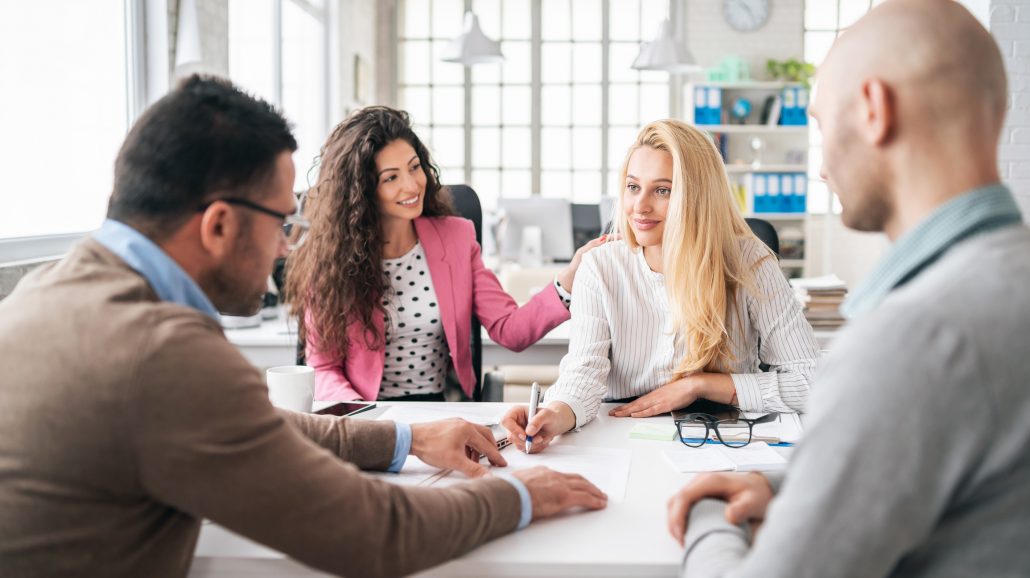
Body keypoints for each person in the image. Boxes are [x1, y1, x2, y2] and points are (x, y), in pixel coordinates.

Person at [0, 76, 607, 578]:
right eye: (281, 220)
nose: (287, 246)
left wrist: (407, 440)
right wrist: (523, 495)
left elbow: (253, 423)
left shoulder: (43, 292)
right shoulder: (164, 352)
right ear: (217, 225)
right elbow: (377, 536)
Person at [668, 1, 1030, 576]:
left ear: (872, 111)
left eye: (819, 122)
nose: (820, 168)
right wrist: (791, 486)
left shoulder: (919, 336)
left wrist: (710, 516)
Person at [502, 119, 819, 451]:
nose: (640, 206)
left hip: (724, 440)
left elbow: (812, 382)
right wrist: (554, 414)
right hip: (623, 436)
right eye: (633, 187)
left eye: (663, 190)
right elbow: (583, 374)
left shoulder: (750, 261)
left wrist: (702, 385)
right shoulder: (600, 267)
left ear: (697, 197)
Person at [285, 106, 606, 402]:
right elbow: (324, 369)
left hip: (442, 410)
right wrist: (366, 421)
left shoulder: (456, 237)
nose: (412, 186)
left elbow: (510, 329)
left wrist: (566, 283)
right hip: (367, 414)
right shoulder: (331, 257)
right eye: (391, 178)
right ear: (361, 190)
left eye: (414, 168)